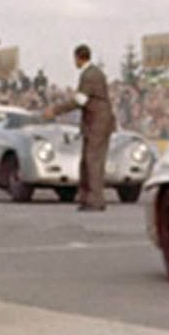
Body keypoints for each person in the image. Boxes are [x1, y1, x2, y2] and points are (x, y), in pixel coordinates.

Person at [48, 44, 113, 211]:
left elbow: (80, 100)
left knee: (93, 161)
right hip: (95, 122)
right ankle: (86, 198)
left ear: (78, 57)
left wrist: (55, 110)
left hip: (97, 123)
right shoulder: (93, 73)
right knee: (87, 161)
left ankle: (95, 200)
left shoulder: (89, 75)